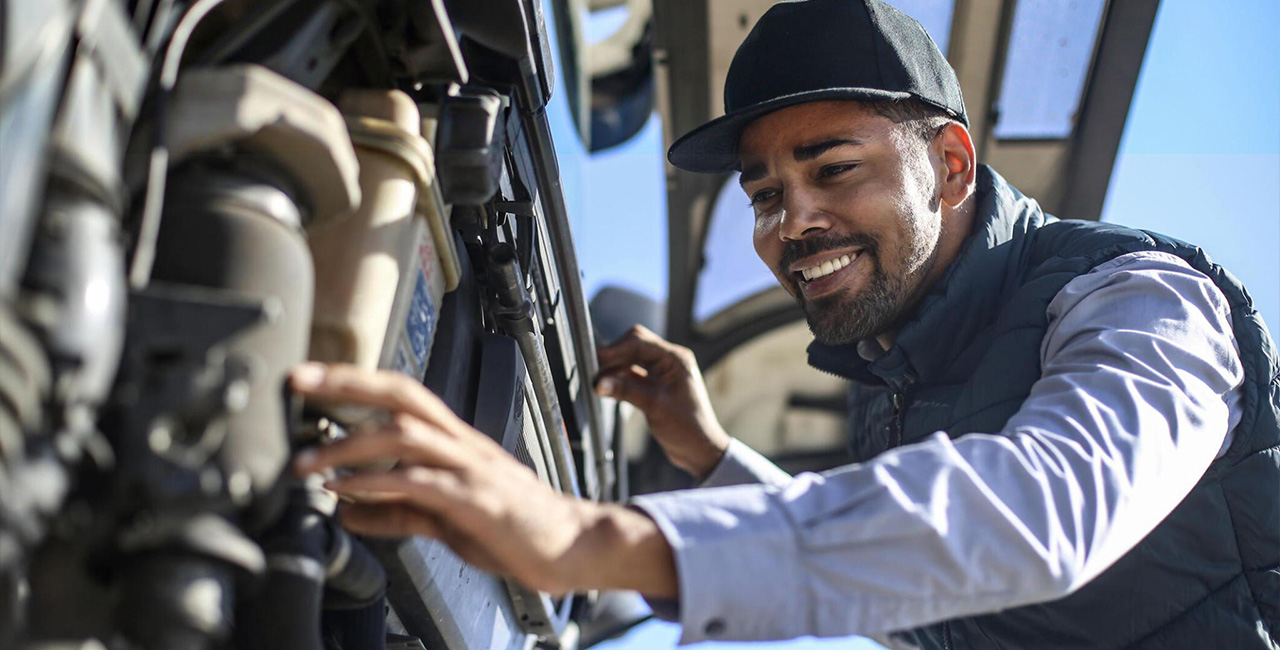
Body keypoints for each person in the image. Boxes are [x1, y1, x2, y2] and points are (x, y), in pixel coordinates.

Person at [290, 0, 1280, 647]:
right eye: (763, 193)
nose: (791, 220)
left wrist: (590, 535)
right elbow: (918, 597)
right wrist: (709, 454)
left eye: (831, 168)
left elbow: (1048, 510)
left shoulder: (1141, 299)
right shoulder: (897, 390)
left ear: (949, 164)